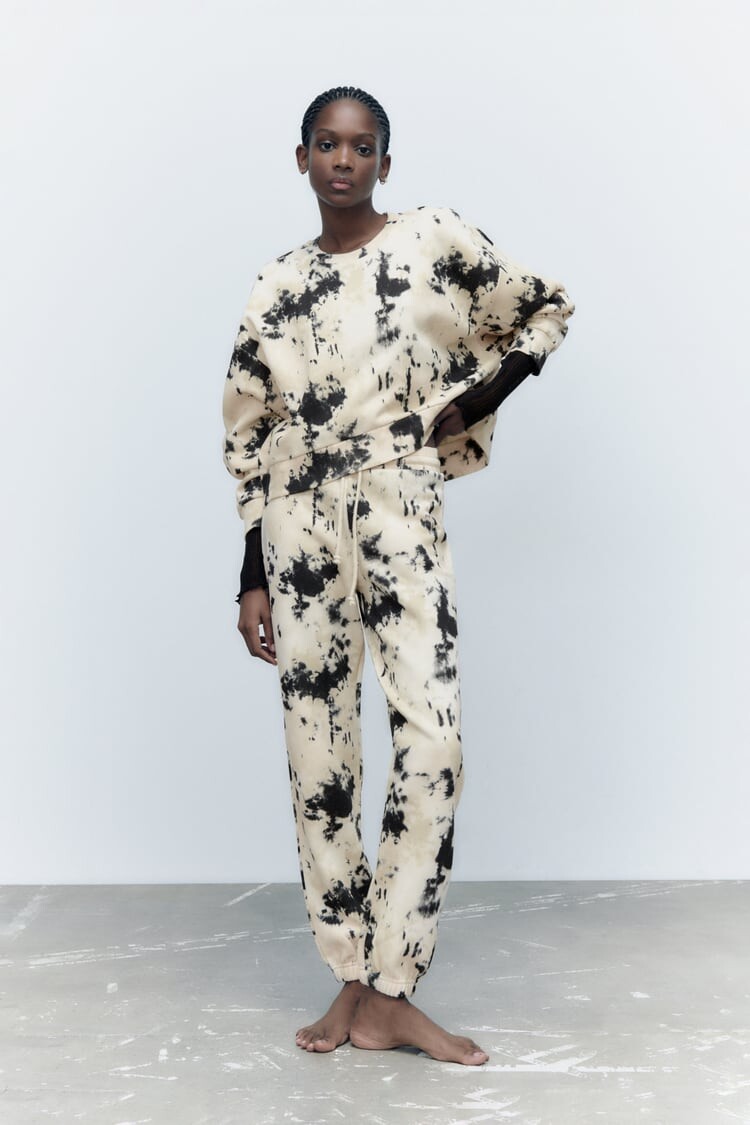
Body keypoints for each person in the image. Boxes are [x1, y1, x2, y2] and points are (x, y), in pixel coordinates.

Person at [221, 85, 574, 1067]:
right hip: (296, 529)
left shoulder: (430, 239)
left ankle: (392, 986)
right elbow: (252, 434)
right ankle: (351, 977)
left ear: (385, 160)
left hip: (400, 508)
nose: (344, 160)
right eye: (326, 144)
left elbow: (543, 310)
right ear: (301, 158)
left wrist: (482, 395)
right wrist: (251, 576)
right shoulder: (275, 284)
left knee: (434, 740)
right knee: (319, 755)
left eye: (362, 145)